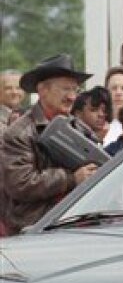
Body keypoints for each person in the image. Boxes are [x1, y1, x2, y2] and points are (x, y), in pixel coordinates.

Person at [1, 54, 97, 235]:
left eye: (75, 90)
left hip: (73, 225)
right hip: (33, 230)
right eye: (65, 89)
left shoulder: (81, 129)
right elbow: (20, 183)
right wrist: (72, 178)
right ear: (42, 90)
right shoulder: (18, 132)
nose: (71, 96)